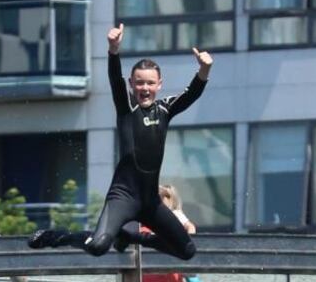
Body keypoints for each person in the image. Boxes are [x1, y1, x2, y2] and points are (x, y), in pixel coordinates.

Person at [29, 24, 212, 260]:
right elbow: (115, 79)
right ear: (131, 84)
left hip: (150, 201)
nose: (144, 88)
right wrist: (113, 50)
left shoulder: (165, 109)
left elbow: (191, 94)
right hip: (123, 196)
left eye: (149, 83)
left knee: (187, 251)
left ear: (159, 85)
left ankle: (134, 237)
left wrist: (204, 70)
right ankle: (58, 237)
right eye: (139, 83)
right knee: (98, 247)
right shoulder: (127, 107)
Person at [158, 185, 214, 282]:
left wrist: (186, 242)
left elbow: (191, 227)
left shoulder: (175, 214)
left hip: (179, 254)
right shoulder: (160, 216)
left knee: (193, 280)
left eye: (160, 199)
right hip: (170, 253)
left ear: (169, 199)